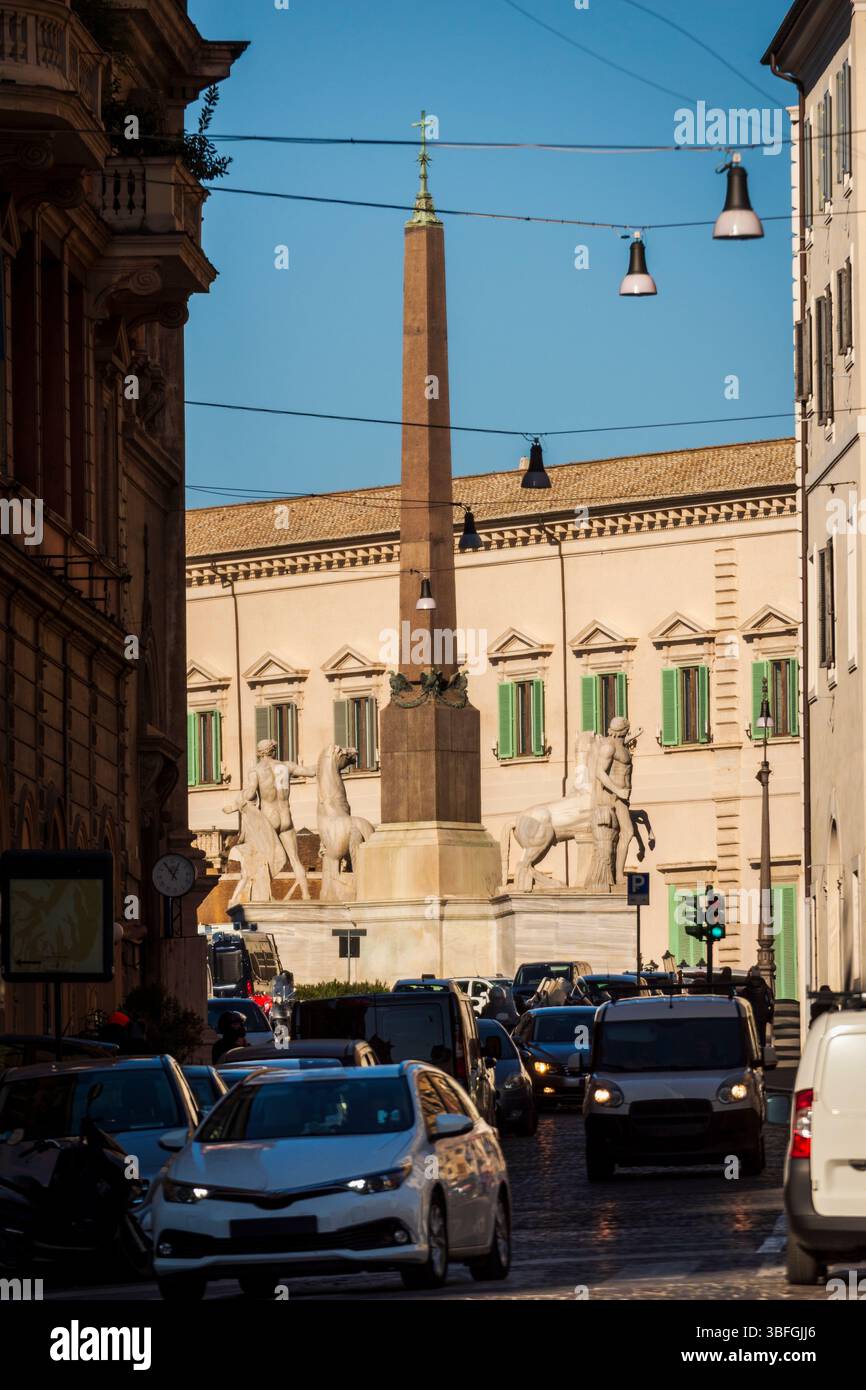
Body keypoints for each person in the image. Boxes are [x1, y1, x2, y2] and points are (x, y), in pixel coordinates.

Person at [739, 965, 774, 1046]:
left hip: (750, 1013)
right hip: (762, 1014)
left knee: (751, 1034)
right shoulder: (765, 986)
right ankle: (762, 1051)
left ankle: (754, 1049)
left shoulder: (747, 986)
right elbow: (770, 1001)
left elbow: (742, 999)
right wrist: (769, 1014)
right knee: (762, 1034)